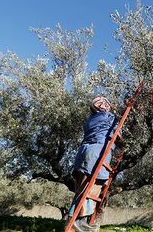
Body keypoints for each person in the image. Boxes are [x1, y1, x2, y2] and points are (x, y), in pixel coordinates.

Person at [67, 96, 117, 231]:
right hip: (97, 154)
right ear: (102, 106)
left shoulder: (89, 121)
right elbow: (118, 134)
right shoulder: (109, 117)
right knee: (92, 190)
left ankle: (78, 221)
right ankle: (77, 221)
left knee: (81, 190)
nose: (108, 105)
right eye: (106, 104)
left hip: (82, 154)